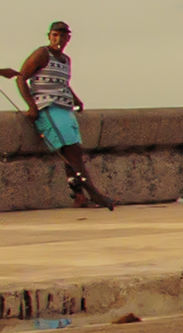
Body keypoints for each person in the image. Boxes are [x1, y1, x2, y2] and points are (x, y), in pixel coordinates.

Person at [14, 20, 115, 209]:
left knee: (71, 154)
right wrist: (32, 106)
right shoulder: (41, 53)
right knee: (73, 151)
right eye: (54, 35)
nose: (58, 39)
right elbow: (21, 77)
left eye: (62, 36)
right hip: (49, 108)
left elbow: (63, 84)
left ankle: (79, 195)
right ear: (49, 36)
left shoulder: (65, 60)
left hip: (65, 108)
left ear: (68, 38)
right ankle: (95, 194)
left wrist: (75, 99)